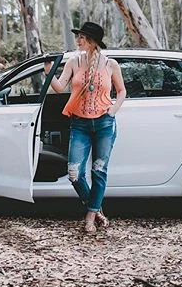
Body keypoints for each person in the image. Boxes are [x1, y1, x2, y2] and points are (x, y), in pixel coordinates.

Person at [43, 21, 126, 234]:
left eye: (82, 37)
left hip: (105, 124)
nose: (78, 40)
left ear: (92, 41)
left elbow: (122, 91)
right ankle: (96, 208)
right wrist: (49, 73)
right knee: (74, 173)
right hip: (79, 124)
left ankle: (89, 218)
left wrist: (113, 110)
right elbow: (60, 87)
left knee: (98, 171)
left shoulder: (110, 65)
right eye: (78, 36)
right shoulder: (73, 61)